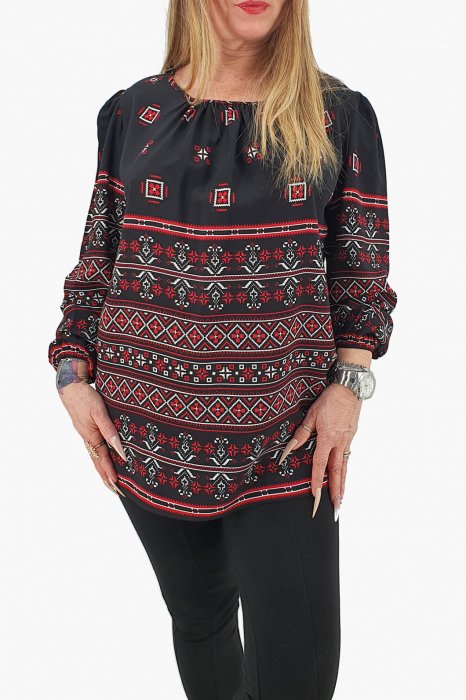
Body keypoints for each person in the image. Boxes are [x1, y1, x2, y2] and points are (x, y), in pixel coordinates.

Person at [47, 1, 397, 697]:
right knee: (201, 620)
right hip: (144, 434)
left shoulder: (336, 114)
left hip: (287, 437)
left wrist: (349, 387)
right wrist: (70, 376)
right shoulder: (132, 112)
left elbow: (361, 271)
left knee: (299, 672)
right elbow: (100, 254)